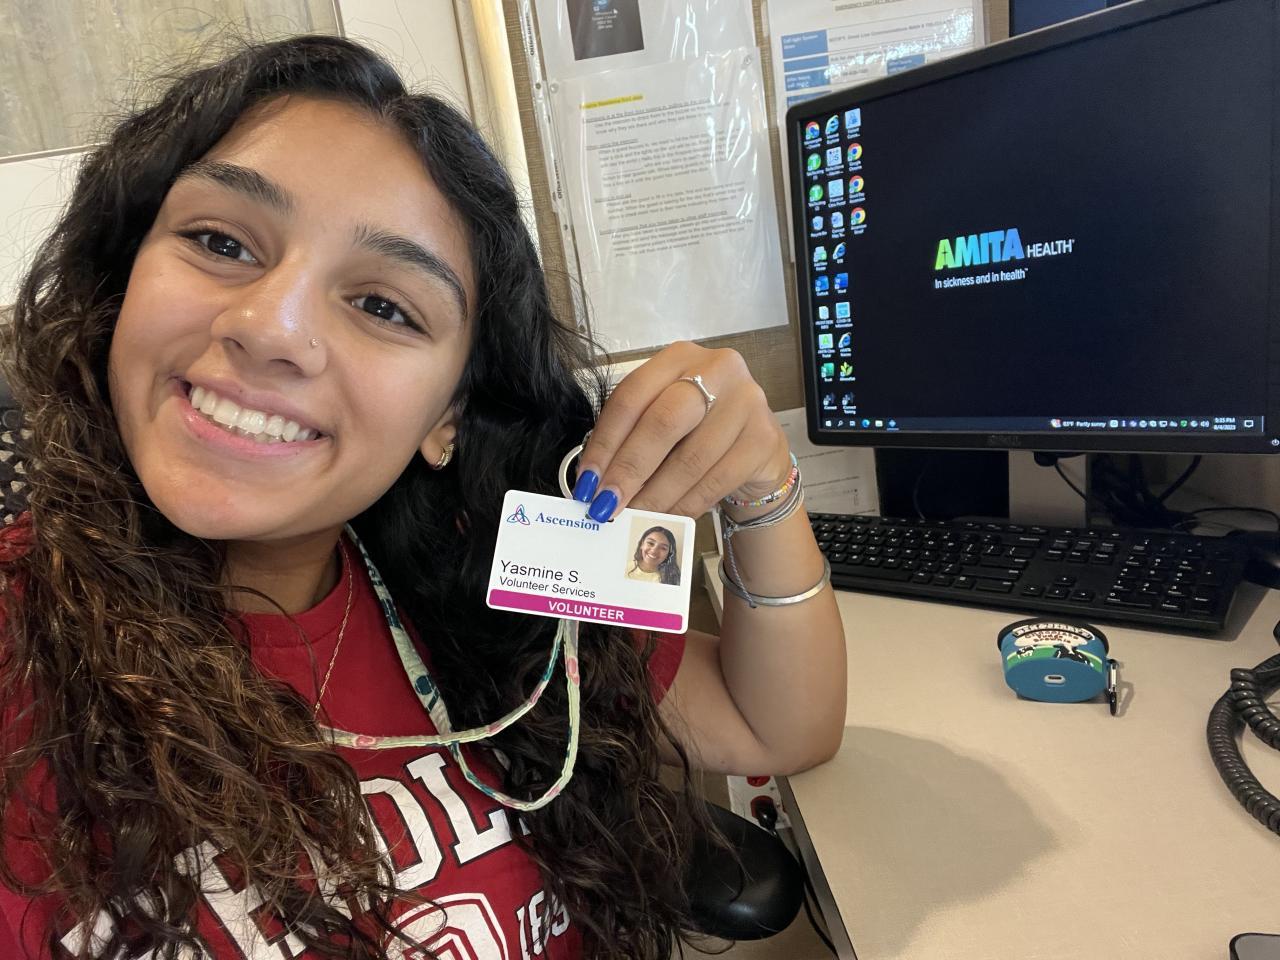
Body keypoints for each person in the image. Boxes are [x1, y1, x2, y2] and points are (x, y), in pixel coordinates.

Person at [0, 36, 845, 960]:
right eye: (221, 242)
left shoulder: (481, 558)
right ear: (124, 279)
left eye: (383, 306)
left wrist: (761, 485)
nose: (270, 328)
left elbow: (776, 725)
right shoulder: (19, 650)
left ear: (448, 416)